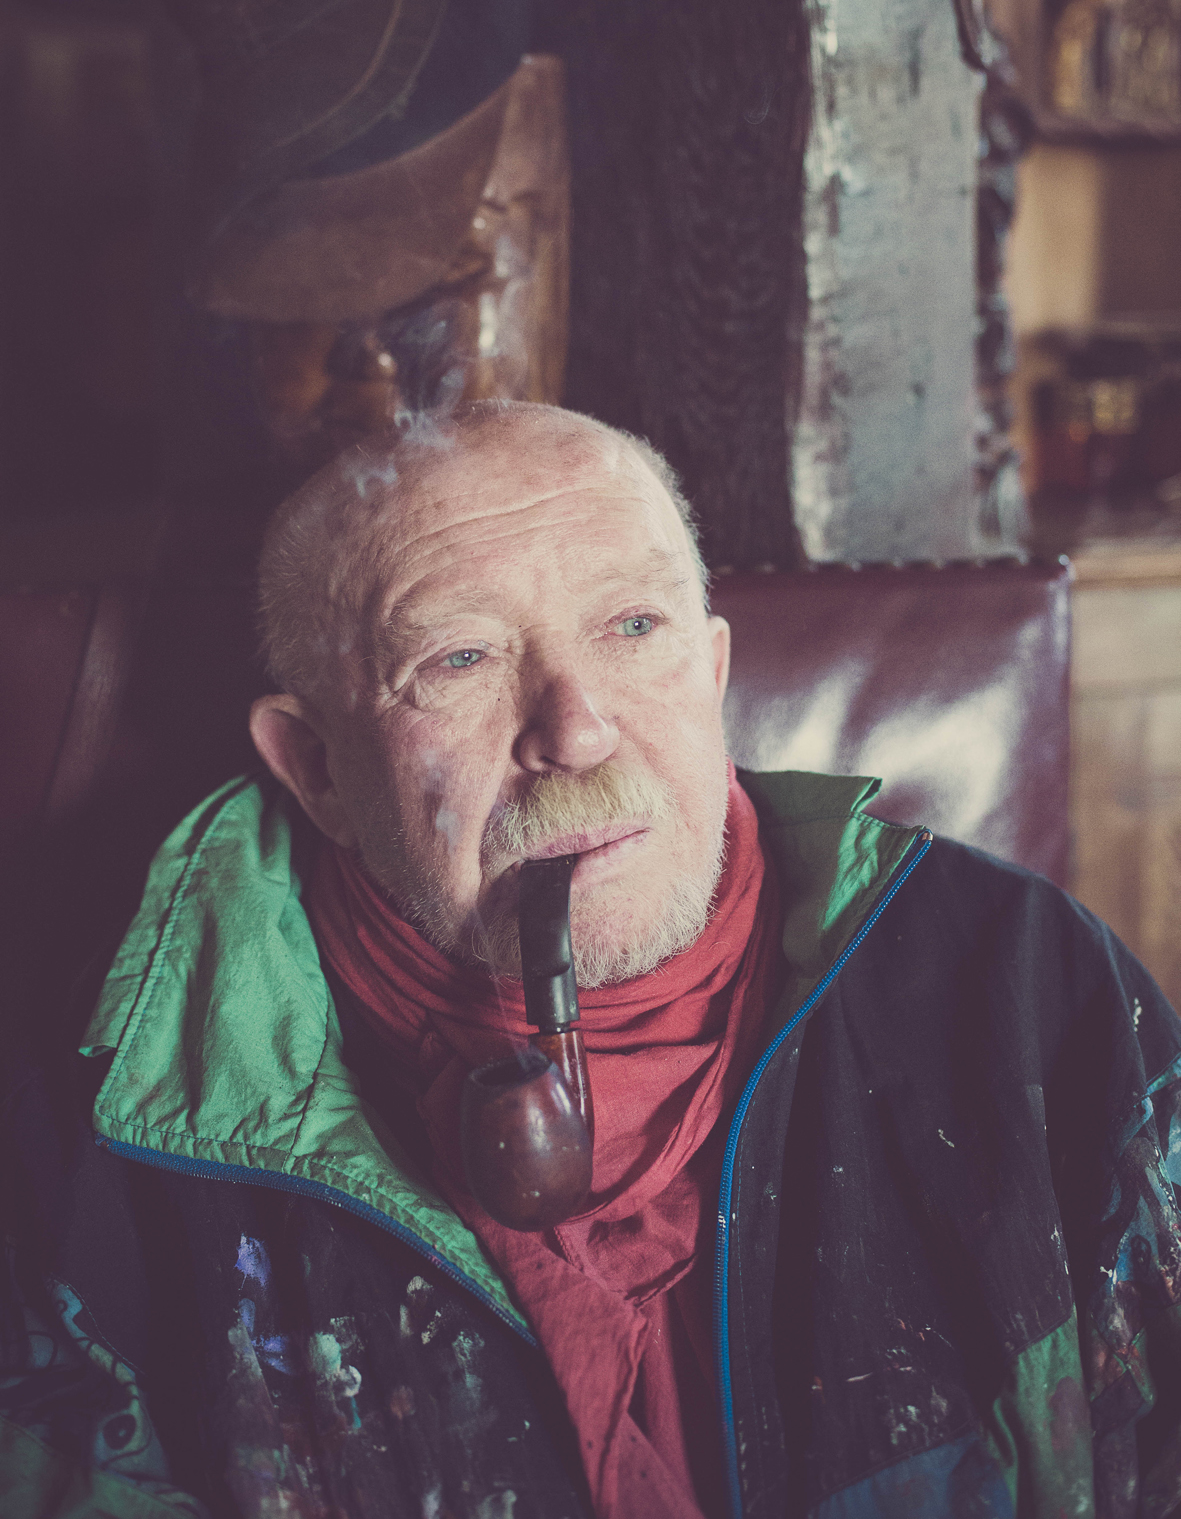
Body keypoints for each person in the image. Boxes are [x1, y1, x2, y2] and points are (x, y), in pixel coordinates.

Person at [4, 401, 1181, 1519]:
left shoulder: (1021, 983)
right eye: (459, 658)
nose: (574, 729)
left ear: (711, 673)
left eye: (632, 627)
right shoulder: (100, 1123)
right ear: (317, 770)